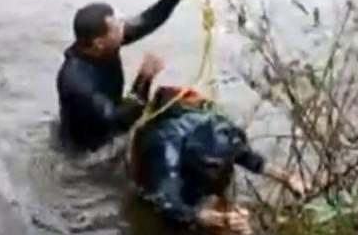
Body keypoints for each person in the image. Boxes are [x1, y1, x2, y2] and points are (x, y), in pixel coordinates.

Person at [55, 0, 208, 152]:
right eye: (117, 28)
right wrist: (144, 78)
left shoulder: (104, 45)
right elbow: (120, 121)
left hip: (108, 116)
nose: (124, 28)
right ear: (99, 42)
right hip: (88, 151)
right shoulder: (77, 82)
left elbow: (147, 21)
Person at [128, 85, 307, 235]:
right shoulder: (165, 150)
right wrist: (199, 215)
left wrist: (287, 178)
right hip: (165, 171)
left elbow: (248, 158)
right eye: (213, 166)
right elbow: (166, 199)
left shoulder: (222, 131)